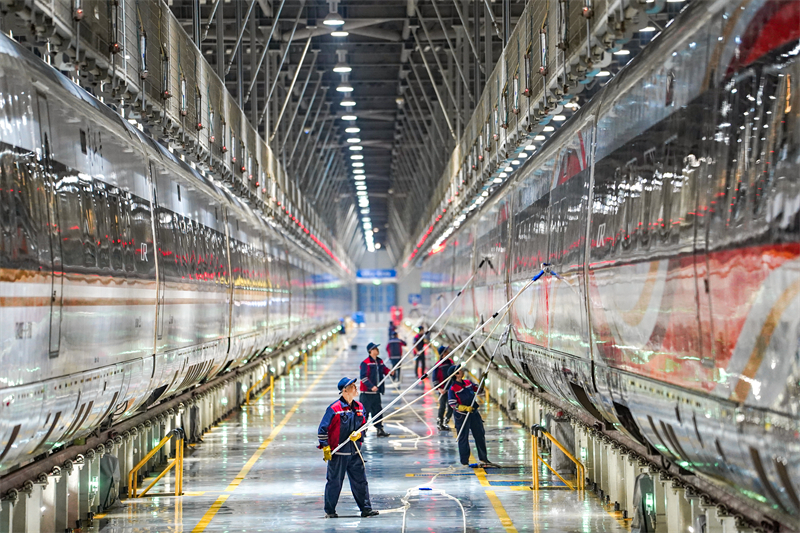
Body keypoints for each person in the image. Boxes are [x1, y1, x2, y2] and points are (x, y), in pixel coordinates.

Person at [318, 377, 379, 518]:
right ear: (344, 391)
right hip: (338, 453)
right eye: (352, 386)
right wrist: (326, 447)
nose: (356, 388)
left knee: (361, 481)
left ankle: (366, 509)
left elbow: (364, 426)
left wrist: (359, 435)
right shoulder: (334, 409)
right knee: (334, 482)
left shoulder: (359, 407)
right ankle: (330, 511)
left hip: (355, 452)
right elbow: (322, 430)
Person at [448, 365, 494, 467]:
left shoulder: (467, 383)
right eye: (459, 370)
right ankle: (464, 461)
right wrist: (464, 408)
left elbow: (479, 390)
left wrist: (483, 380)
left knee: (480, 435)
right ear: (456, 374)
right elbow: (452, 404)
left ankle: (483, 458)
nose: (462, 371)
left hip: (473, 413)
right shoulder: (453, 388)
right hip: (461, 416)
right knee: (463, 438)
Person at [360, 342, 391, 437]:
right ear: (370, 351)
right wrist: (371, 386)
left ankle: (380, 429)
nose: (377, 350)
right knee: (365, 412)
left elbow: (384, 369)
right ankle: (362, 431)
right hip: (367, 393)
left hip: (376, 393)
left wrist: (390, 372)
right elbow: (363, 377)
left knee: (378, 411)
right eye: (375, 349)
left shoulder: (379, 361)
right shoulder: (365, 363)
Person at [432, 346, 455, 430]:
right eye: (446, 352)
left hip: (451, 388)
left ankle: (446, 421)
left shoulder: (451, 362)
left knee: (451, 406)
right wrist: (439, 388)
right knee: (442, 406)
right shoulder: (438, 365)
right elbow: (434, 378)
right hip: (442, 389)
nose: (448, 353)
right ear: (442, 354)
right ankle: (439, 422)